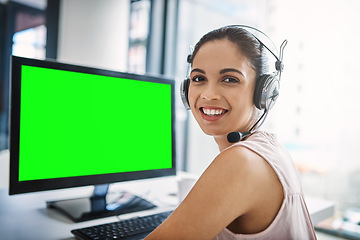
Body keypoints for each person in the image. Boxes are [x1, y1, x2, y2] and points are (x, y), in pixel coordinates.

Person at [145, 26, 317, 239]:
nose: (209, 95)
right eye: (199, 78)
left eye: (229, 79)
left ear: (264, 92)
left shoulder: (241, 162)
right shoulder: (268, 149)